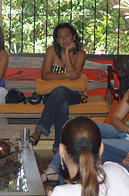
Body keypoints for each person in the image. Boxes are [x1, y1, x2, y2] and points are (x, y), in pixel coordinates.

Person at [40, 52, 129, 184]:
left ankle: (58, 176)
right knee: (78, 128)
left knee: (85, 144)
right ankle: (54, 170)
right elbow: (115, 119)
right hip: (124, 132)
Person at [28, 23, 86, 152]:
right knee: (62, 104)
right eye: (60, 37)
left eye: (67, 36)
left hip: (75, 94)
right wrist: (65, 75)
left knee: (60, 90)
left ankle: (39, 131)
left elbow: (74, 78)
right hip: (52, 95)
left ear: (74, 37)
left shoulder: (81, 53)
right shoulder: (51, 51)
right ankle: (58, 148)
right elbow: (45, 75)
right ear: (56, 40)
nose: (64, 39)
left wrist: (67, 52)